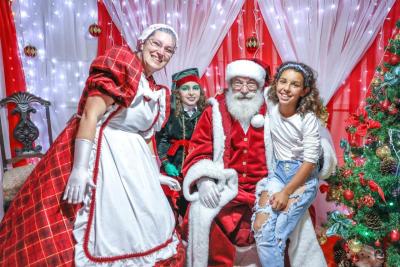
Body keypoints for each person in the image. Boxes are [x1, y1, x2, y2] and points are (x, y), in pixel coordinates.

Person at [0, 24, 185, 267]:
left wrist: (154, 174)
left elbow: (146, 136)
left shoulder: (157, 90)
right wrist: (79, 169)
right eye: (156, 44)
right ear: (142, 42)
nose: (161, 52)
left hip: (135, 164)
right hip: (103, 154)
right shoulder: (123, 64)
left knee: (149, 225)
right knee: (104, 225)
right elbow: (90, 115)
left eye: (168, 50)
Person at [181, 59, 336, 267]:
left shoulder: (278, 106)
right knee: (200, 212)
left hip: (270, 184)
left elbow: (313, 136)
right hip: (228, 187)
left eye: (251, 84)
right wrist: (205, 181)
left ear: (261, 84)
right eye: (238, 83)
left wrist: (317, 156)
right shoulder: (215, 110)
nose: (244, 90)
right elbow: (199, 147)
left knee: (295, 223)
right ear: (229, 83)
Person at [252, 61, 323, 267]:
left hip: (302, 178)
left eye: (294, 84)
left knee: (278, 233)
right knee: (260, 227)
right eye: (283, 81)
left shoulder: (307, 118)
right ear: (275, 84)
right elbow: (252, 79)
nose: (286, 88)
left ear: (304, 90)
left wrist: (286, 192)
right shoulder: (271, 103)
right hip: (278, 173)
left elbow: (311, 161)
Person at [156, 67, 206, 218]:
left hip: (197, 167)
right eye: (185, 88)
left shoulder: (206, 112)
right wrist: (165, 163)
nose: (191, 93)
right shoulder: (169, 113)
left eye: (195, 88)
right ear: (178, 92)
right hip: (174, 165)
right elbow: (161, 139)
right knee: (170, 206)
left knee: (194, 208)